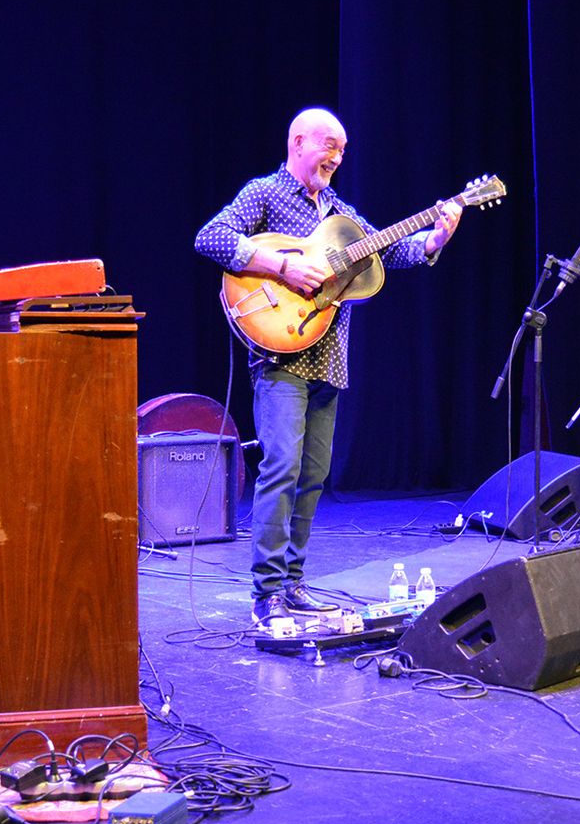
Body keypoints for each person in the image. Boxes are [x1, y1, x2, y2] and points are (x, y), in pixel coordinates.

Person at [194, 108, 460, 629]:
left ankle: (292, 585)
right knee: (281, 469)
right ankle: (266, 592)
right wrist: (283, 264)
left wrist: (433, 240)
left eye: (342, 150)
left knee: (313, 477)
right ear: (298, 142)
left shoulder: (340, 212)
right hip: (280, 355)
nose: (336, 157)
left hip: (329, 358)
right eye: (328, 146)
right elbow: (211, 237)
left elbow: (389, 252)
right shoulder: (265, 193)